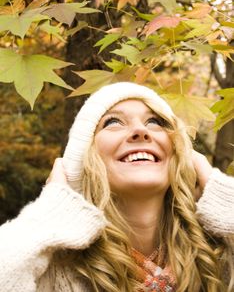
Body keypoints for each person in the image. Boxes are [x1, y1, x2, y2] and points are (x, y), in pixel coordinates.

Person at [0, 82, 233, 292]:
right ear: (85, 159)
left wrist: (222, 196)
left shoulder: (216, 257)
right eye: (113, 122)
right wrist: (48, 217)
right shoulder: (53, 267)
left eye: (154, 121)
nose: (140, 131)